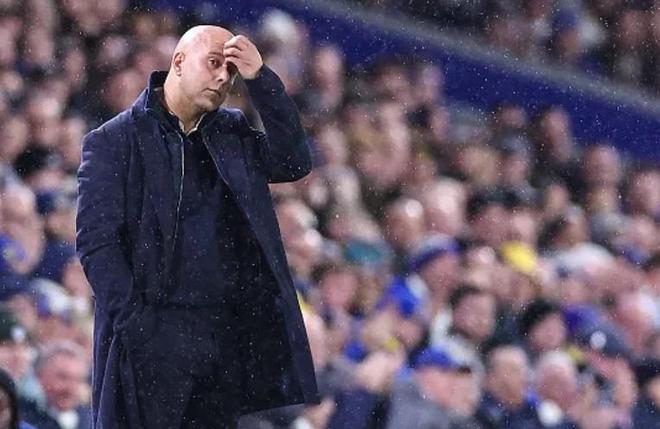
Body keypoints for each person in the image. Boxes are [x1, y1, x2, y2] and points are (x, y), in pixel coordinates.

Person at [75, 25, 319, 429]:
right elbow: (97, 246)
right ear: (179, 62)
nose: (223, 77)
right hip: (149, 342)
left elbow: (293, 161)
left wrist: (261, 80)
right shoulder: (114, 140)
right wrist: (142, 331)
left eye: (231, 71)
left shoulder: (232, 132)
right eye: (213, 63)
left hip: (220, 344)